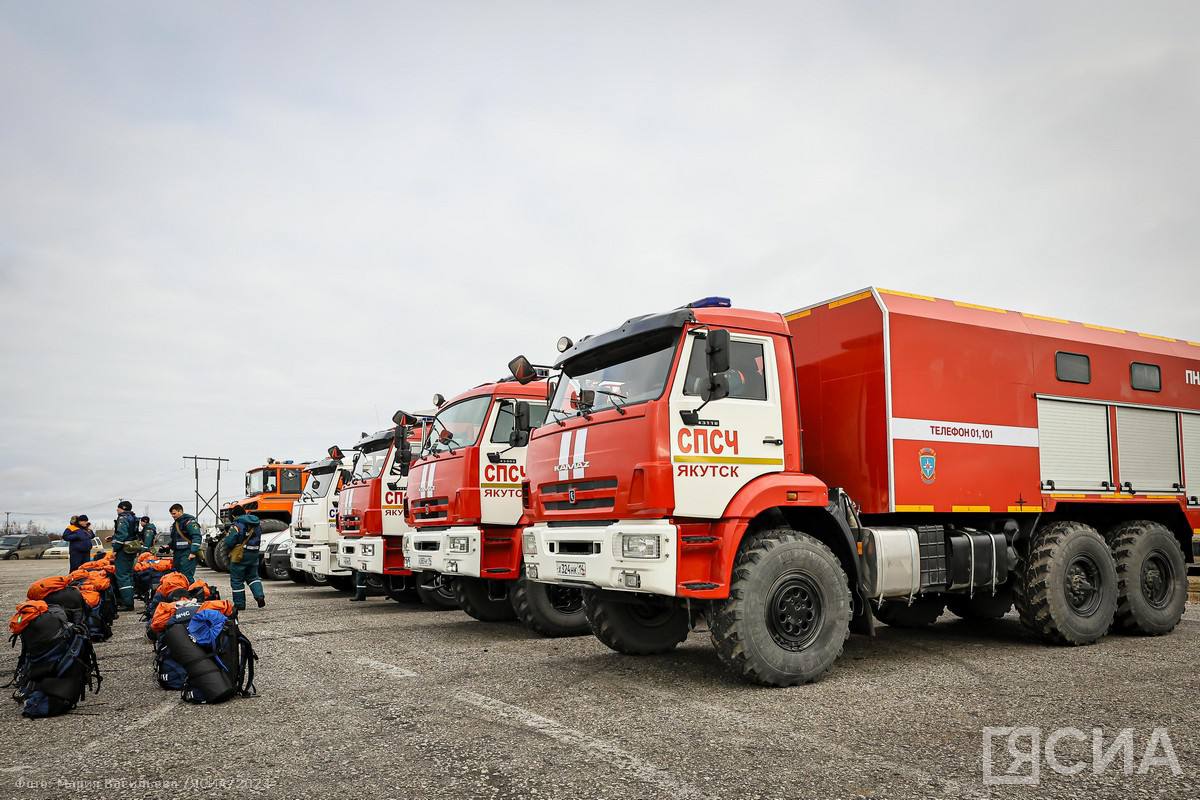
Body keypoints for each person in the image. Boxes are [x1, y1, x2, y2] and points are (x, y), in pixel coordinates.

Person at [224, 505, 266, 609]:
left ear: (234, 515)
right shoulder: (256, 524)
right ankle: (259, 596)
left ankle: (240, 604)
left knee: (237, 580)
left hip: (240, 555)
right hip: (254, 553)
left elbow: (229, 541)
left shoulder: (237, 524)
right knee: (253, 577)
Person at [110, 500, 144, 610]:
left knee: (122, 576)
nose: (116, 509)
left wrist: (115, 549)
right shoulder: (133, 518)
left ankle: (127, 603)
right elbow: (130, 534)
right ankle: (129, 599)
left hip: (123, 551)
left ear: (122, 508)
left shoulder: (123, 518)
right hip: (131, 550)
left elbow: (122, 535)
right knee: (129, 575)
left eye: (118, 508)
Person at [167, 504, 203, 582]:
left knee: (186, 576)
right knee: (177, 576)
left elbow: (196, 537)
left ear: (180, 511)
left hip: (187, 553)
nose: (173, 516)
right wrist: (168, 546)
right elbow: (175, 539)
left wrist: (193, 552)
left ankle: (190, 593)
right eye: (171, 514)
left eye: (174, 513)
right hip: (178, 553)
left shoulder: (189, 522)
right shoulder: (176, 524)